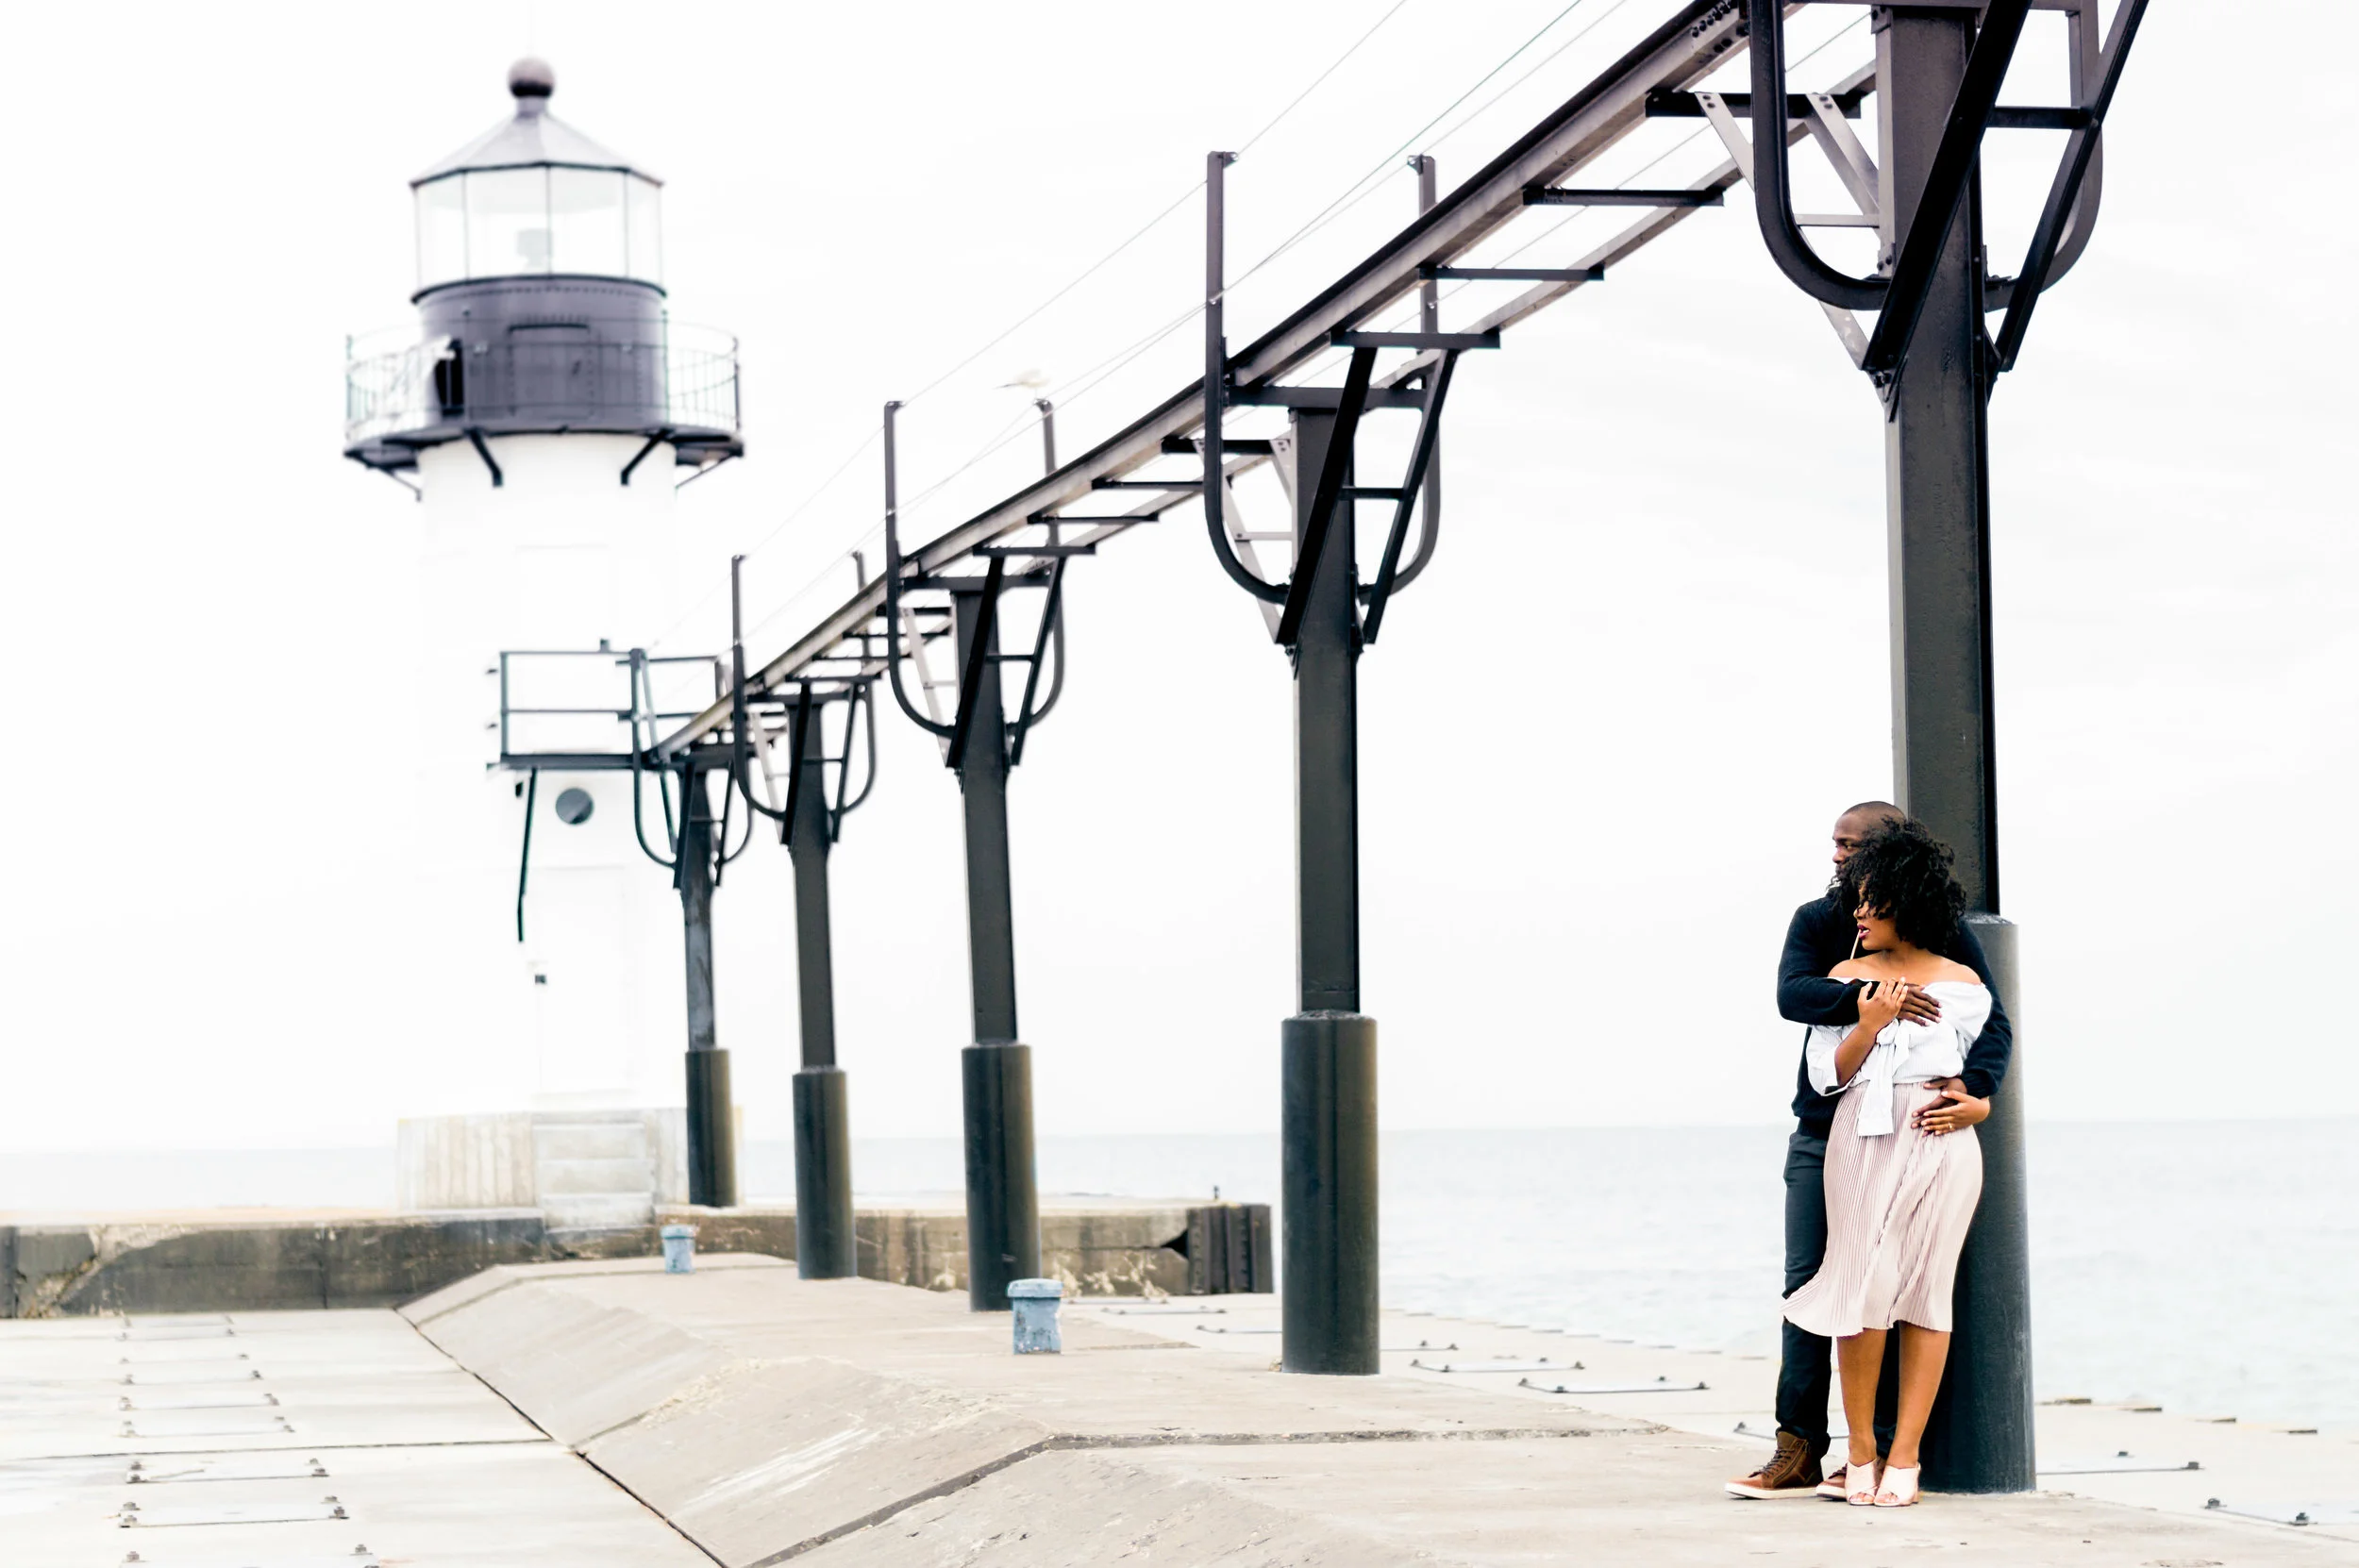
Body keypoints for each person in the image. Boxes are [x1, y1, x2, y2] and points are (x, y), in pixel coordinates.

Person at [1724, 803, 2011, 1503]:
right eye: (1835, 844)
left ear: (1892, 859)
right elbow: (1793, 996)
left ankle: (1879, 1454)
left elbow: (1990, 1021)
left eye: (1851, 846)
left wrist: (1978, 1093)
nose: (1836, 857)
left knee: (1899, 1286)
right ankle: (1798, 1446)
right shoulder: (1822, 922)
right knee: (1811, 1283)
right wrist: (1871, 1000)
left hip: (1924, 1137)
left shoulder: (1937, 929)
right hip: (1829, 1130)